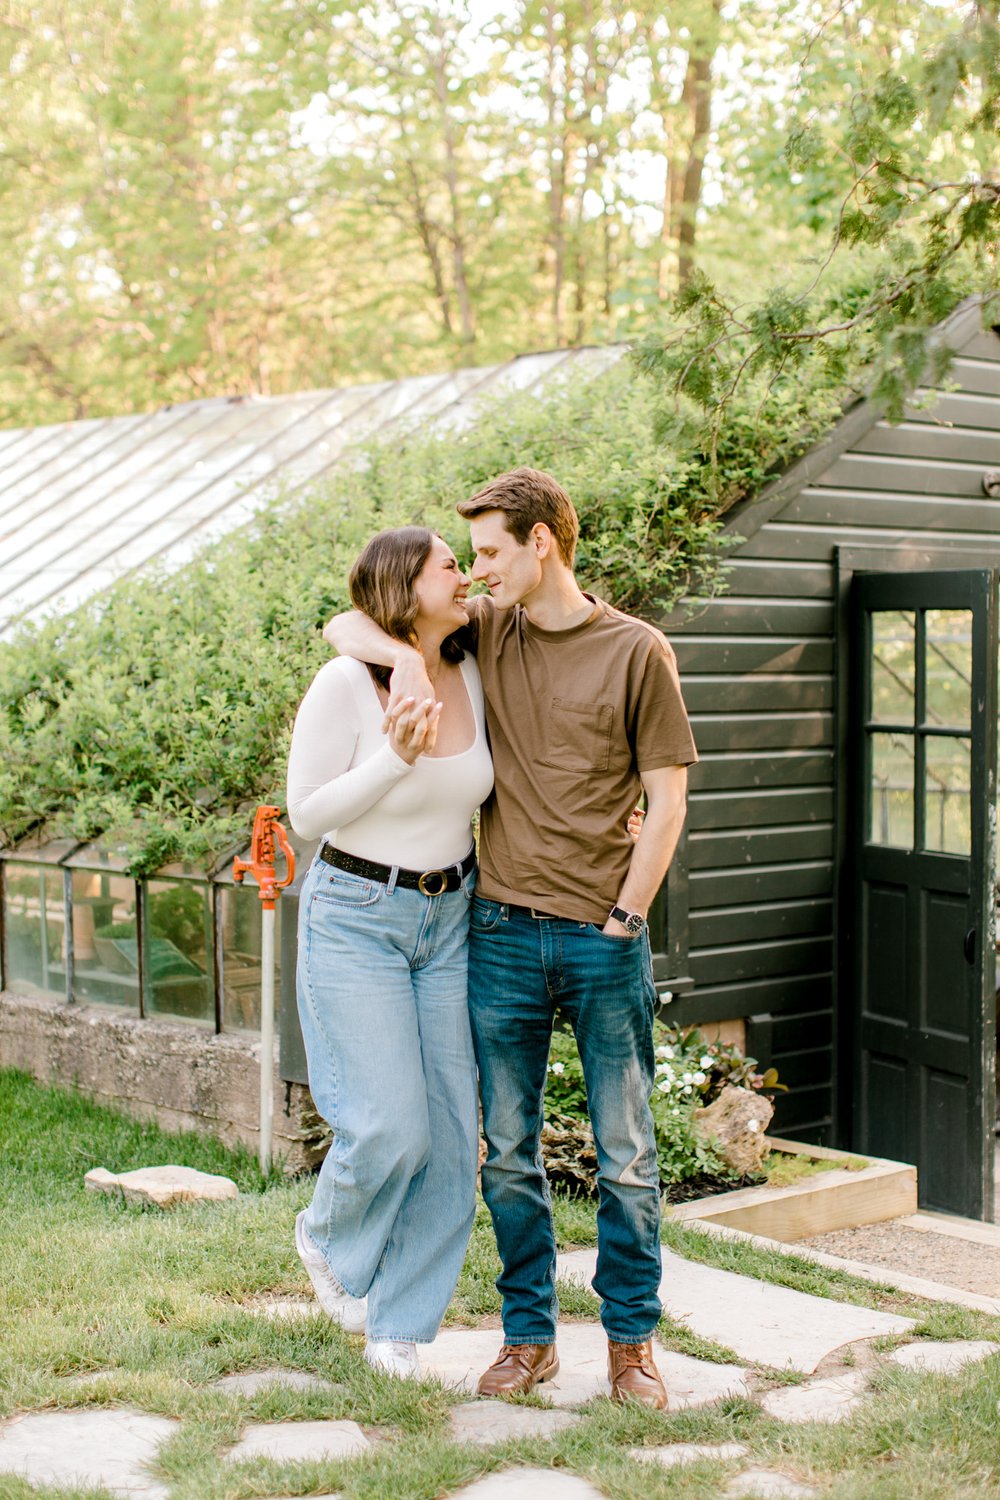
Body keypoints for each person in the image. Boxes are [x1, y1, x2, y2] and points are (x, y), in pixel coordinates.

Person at [326, 468, 697, 1408]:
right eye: (471, 556)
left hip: (602, 939)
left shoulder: (638, 651)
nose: (477, 571)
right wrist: (407, 662)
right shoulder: (488, 631)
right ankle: (529, 1340)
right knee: (507, 1154)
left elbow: (666, 802)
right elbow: (347, 626)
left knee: (627, 1155)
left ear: (543, 544)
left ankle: (630, 1346)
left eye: (490, 551)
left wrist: (626, 915)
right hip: (494, 931)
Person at [286, 525, 494, 1378]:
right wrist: (396, 760)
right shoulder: (345, 684)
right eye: (449, 562)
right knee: (388, 1126)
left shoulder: (474, 665)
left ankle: (399, 1330)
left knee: (452, 1137)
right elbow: (307, 815)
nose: (466, 572)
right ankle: (327, 1238)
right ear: (406, 587)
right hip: (357, 912)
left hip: (450, 918)